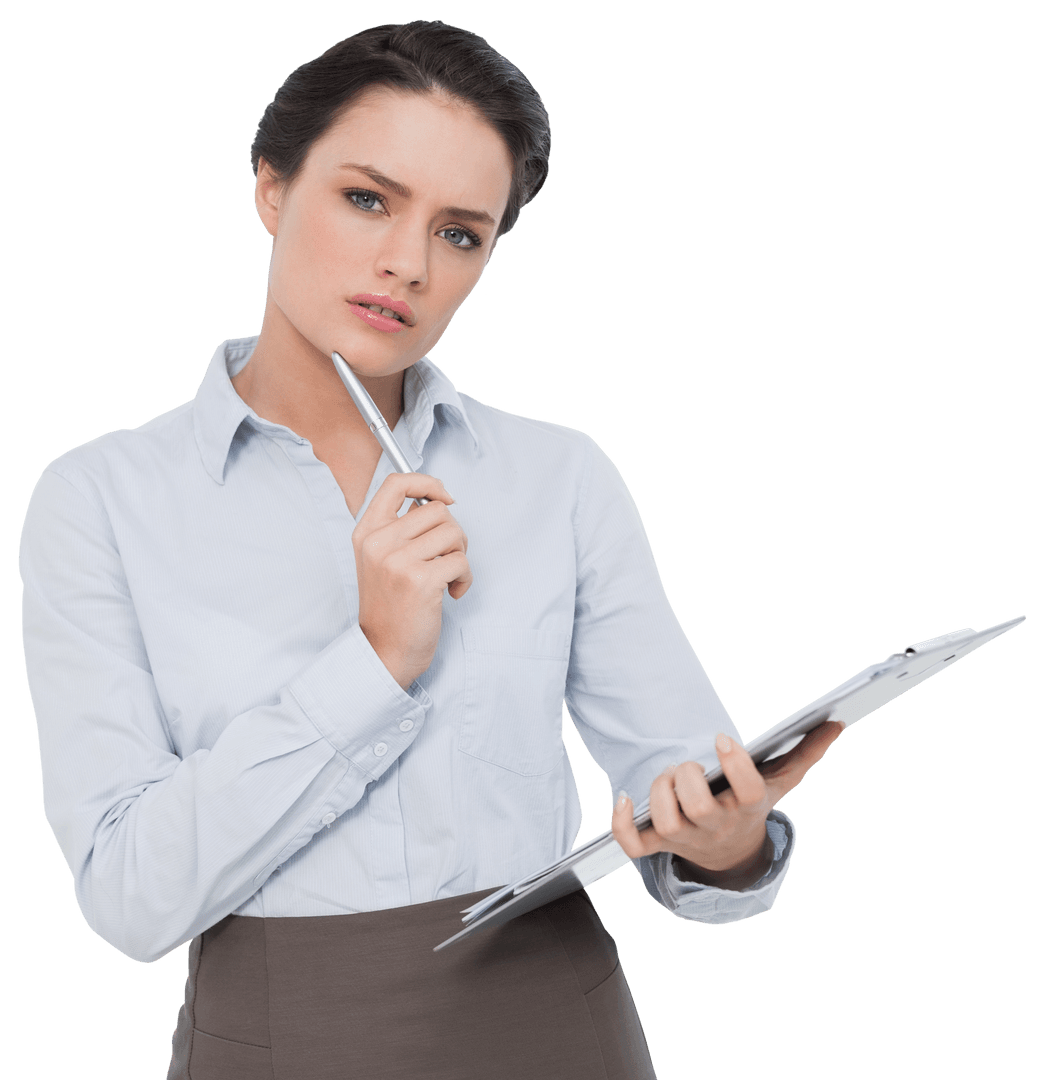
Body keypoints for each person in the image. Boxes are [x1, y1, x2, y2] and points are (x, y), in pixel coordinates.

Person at [19, 20, 840, 1079]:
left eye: (460, 233)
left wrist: (726, 849)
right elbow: (128, 902)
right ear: (272, 187)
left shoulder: (559, 477)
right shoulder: (101, 497)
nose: (405, 263)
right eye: (367, 199)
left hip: (559, 1024)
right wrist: (374, 660)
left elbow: (682, 788)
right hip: (275, 1038)